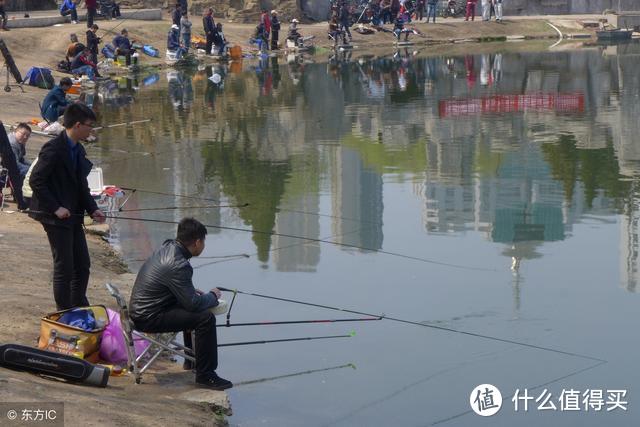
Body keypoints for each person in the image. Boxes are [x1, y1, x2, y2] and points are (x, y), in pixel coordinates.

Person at [129, 217, 233, 391]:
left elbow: (178, 291)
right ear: (198, 242)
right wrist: (212, 296)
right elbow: (193, 304)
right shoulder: (179, 264)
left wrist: (191, 293)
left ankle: (190, 360)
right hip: (148, 317)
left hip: (142, 310)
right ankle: (206, 375)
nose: (204, 246)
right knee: (205, 318)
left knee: (192, 309)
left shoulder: (168, 247)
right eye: (204, 242)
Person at [29, 103, 106, 310]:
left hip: (73, 215)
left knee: (82, 265)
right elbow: (36, 181)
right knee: (64, 267)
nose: (92, 130)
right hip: (54, 216)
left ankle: (77, 302)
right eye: (90, 125)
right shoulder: (54, 148)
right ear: (78, 125)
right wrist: (56, 208)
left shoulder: (78, 149)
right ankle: (63, 312)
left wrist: (93, 209)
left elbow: (81, 185)